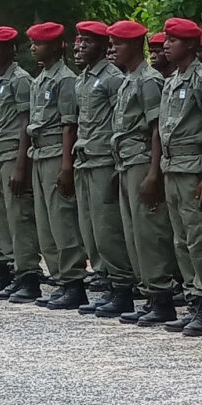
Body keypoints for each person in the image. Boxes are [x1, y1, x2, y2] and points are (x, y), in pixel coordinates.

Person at [154, 16, 202, 336]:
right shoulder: (172, 80)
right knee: (181, 240)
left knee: (201, 240)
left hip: (195, 168)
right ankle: (192, 300)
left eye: (173, 41)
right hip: (173, 167)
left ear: (191, 46)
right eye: (166, 40)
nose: (166, 45)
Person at [110, 20, 178, 325]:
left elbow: (156, 128)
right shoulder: (129, 79)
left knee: (150, 232)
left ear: (135, 46)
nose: (113, 49)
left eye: (118, 44)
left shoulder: (149, 81)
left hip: (141, 160)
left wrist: (153, 173)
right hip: (126, 161)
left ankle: (162, 298)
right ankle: (150, 293)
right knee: (134, 233)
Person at [20, 21, 89, 310]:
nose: (33, 48)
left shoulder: (65, 79)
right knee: (46, 223)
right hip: (38, 153)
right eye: (33, 43)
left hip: (55, 154)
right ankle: (60, 278)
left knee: (62, 221)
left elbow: (68, 125)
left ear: (55, 47)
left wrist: (66, 165)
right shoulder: (40, 79)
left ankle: (73, 282)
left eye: (39, 44)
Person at [74, 21, 136, 316]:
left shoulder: (113, 78)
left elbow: (119, 122)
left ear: (101, 46)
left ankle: (122, 287)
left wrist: (115, 163)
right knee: (91, 230)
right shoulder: (83, 78)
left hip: (104, 160)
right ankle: (107, 281)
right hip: (85, 158)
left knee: (108, 229)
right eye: (79, 41)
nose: (80, 46)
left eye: (87, 41)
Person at [0, 27, 42, 301]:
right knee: (1, 220)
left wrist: (21, 166)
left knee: (19, 219)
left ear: (10, 50)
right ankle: (10, 270)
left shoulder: (20, 80)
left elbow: (25, 123)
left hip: (12, 155)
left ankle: (28, 276)